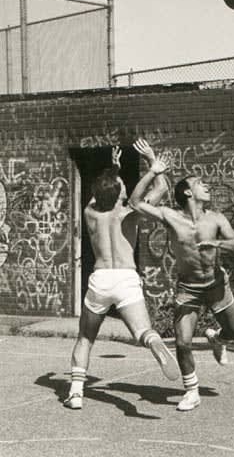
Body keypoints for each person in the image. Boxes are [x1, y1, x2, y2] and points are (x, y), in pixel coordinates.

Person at [64, 142, 179, 410]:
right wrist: (153, 163)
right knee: (144, 331)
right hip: (126, 279)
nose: (125, 186)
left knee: (85, 338)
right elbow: (160, 188)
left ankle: (76, 393)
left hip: (100, 279)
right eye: (122, 184)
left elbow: (100, 192)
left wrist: (113, 170)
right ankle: (153, 343)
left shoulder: (90, 213)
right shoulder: (131, 214)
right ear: (119, 192)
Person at [129, 151, 234, 412]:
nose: (206, 186)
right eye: (200, 183)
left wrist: (217, 243)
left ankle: (217, 338)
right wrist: (153, 169)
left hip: (216, 285)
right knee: (183, 342)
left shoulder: (216, 218)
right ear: (188, 194)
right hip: (188, 289)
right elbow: (135, 202)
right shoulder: (171, 216)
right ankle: (191, 391)